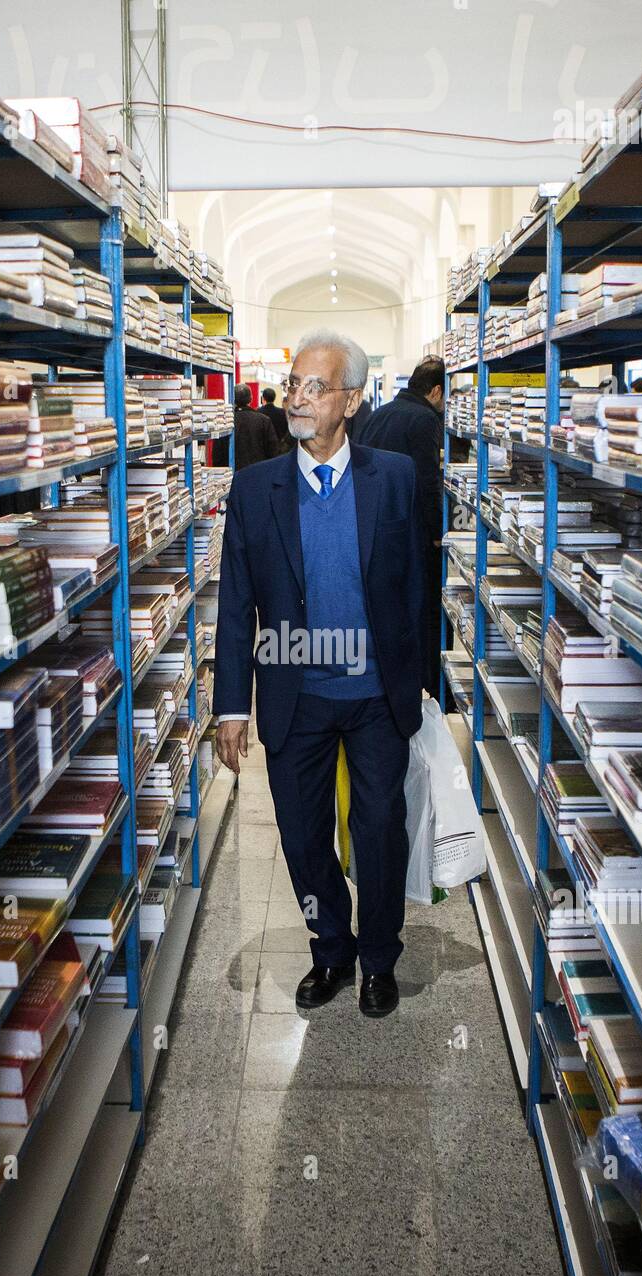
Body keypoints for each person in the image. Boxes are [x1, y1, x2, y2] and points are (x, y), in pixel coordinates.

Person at [213, 329, 424, 1019]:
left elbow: (414, 584)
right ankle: (329, 946)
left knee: (378, 832)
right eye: (294, 384)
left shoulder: (393, 476)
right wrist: (230, 706)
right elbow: (236, 602)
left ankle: (378, 957)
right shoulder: (254, 488)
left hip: (373, 698)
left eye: (316, 387)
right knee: (303, 839)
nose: (297, 398)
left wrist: (417, 681)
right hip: (293, 695)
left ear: (352, 400)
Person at [358, 355, 444, 698]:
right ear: (436, 391)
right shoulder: (424, 419)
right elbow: (427, 480)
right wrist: (438, 530)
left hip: (374, 527)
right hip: (410, 531)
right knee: (418, 609)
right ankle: (420, 683)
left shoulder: (379, 414)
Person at [233, 382, 280, 470]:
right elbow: (273, 449)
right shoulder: (263, 420)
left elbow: (219, 454)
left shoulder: (228, 422)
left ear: (233, 399)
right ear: (251, 399)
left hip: (233, 473)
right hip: (259, 471)